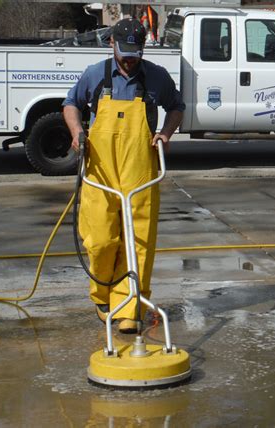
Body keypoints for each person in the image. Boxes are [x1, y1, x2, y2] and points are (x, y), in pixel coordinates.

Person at [63, 18, 184, 333]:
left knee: (139, 242)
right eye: (124, 50)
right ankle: (103, 298)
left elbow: (176, 107)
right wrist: (77, 132)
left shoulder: (156, 77)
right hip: (101, 171)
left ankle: (132, 306)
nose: (130, 58)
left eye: (136, 51)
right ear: (111, 44)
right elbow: (71, 104)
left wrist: (166, 134)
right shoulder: (95, 75)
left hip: (140, 170)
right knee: (102, 240)